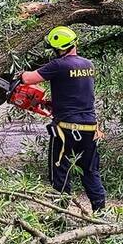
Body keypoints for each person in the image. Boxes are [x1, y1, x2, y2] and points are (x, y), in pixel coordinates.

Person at [15, 26, 107, 211]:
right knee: (90, 171)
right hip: (89, 127)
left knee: (60, 170)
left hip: (66, 129)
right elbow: (75, 91)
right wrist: (53, 103)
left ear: (59, 48)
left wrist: (19, 73)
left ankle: (61, 212)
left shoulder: (58, 65)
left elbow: (27, 79)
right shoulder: (88, 64)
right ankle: (100, 211)